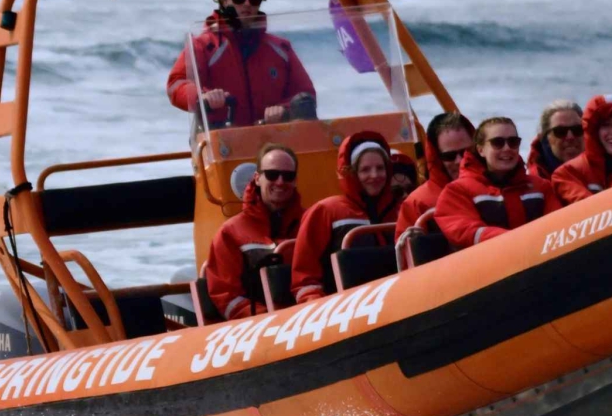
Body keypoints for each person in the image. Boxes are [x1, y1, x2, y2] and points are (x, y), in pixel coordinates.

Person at [166, 0, 316, 129]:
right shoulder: (202, 46)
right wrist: (203, 97)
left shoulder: (281, 48)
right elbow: (176, 85)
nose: (247, 4)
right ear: (224, 0)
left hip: (274, 141)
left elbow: (306, 95)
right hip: (222, 144)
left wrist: (284, 109)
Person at [291, 132, 401, 301]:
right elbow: (305, 275)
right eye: (365, 169)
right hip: (346, 305)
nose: (375, 175)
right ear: (352, 173)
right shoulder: (326, 211)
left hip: (396, 296)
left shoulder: (399, 209)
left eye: (380, 168)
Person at [202, 144, 304, 319]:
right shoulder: (230, 233)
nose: (280, 181)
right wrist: (269, 319)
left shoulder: (311, 221)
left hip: (309, 315)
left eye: (288, 176)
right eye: (272, 174)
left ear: (295, 181)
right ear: (257, 178)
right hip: (260, 324)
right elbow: (226, 295)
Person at [435, 118, 562, 248]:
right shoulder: (456, 192)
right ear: (480, 150)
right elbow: (466, 231)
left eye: (513, 142)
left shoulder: (541, 187)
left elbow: (559, 226)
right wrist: (518, 241)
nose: (507, 148)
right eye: (497, 143)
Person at [395, 111, 475, 238]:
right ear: (437, 157)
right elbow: (405, 255)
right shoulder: (417, 203)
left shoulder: (498, 189)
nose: (460, 160)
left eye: (467, 152)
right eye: (449, 156)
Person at [526, 100, 584, 181]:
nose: (570, 137)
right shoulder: (533, 184)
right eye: (560, 131)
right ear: (546, 138)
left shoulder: (603, 173)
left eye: (577, 129)